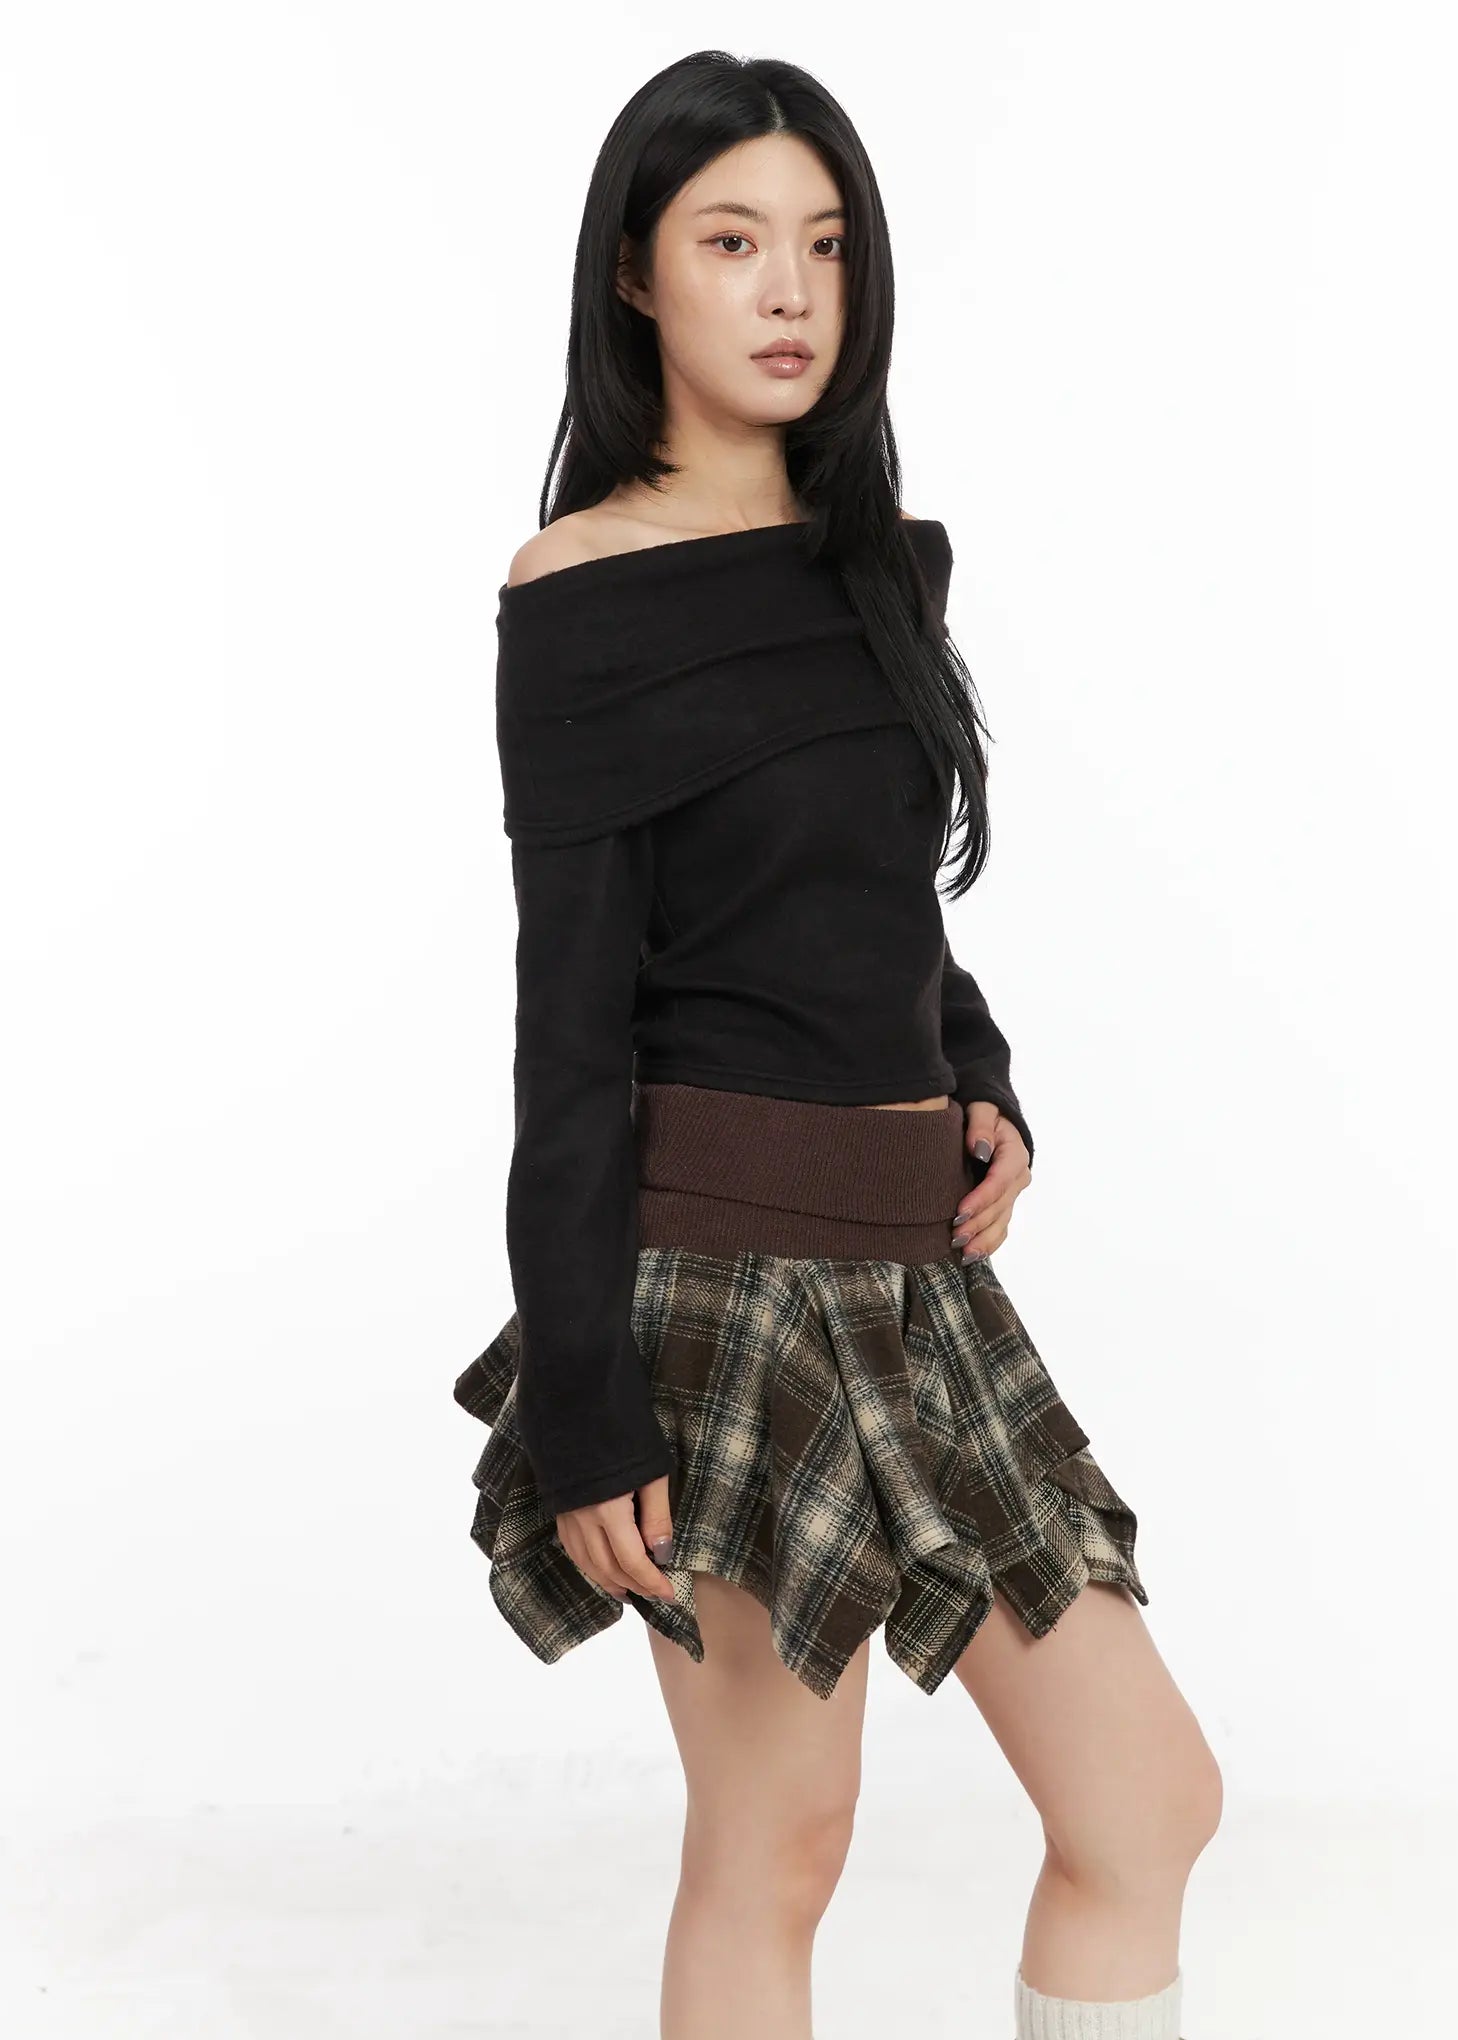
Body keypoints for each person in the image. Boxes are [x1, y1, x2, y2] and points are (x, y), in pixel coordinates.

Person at [454, 49, 1222, 2040]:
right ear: (638, 277)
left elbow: (881, 901)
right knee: (777, 1848)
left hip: (917, 1277)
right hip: (715, 1284)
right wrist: (589, 1406)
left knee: (1147, 1803)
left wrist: (980, 1078)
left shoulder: (874, 562)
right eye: (732, 243)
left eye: (826, 246)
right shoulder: (583, 597)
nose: (790, 290)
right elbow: (567, 1038)